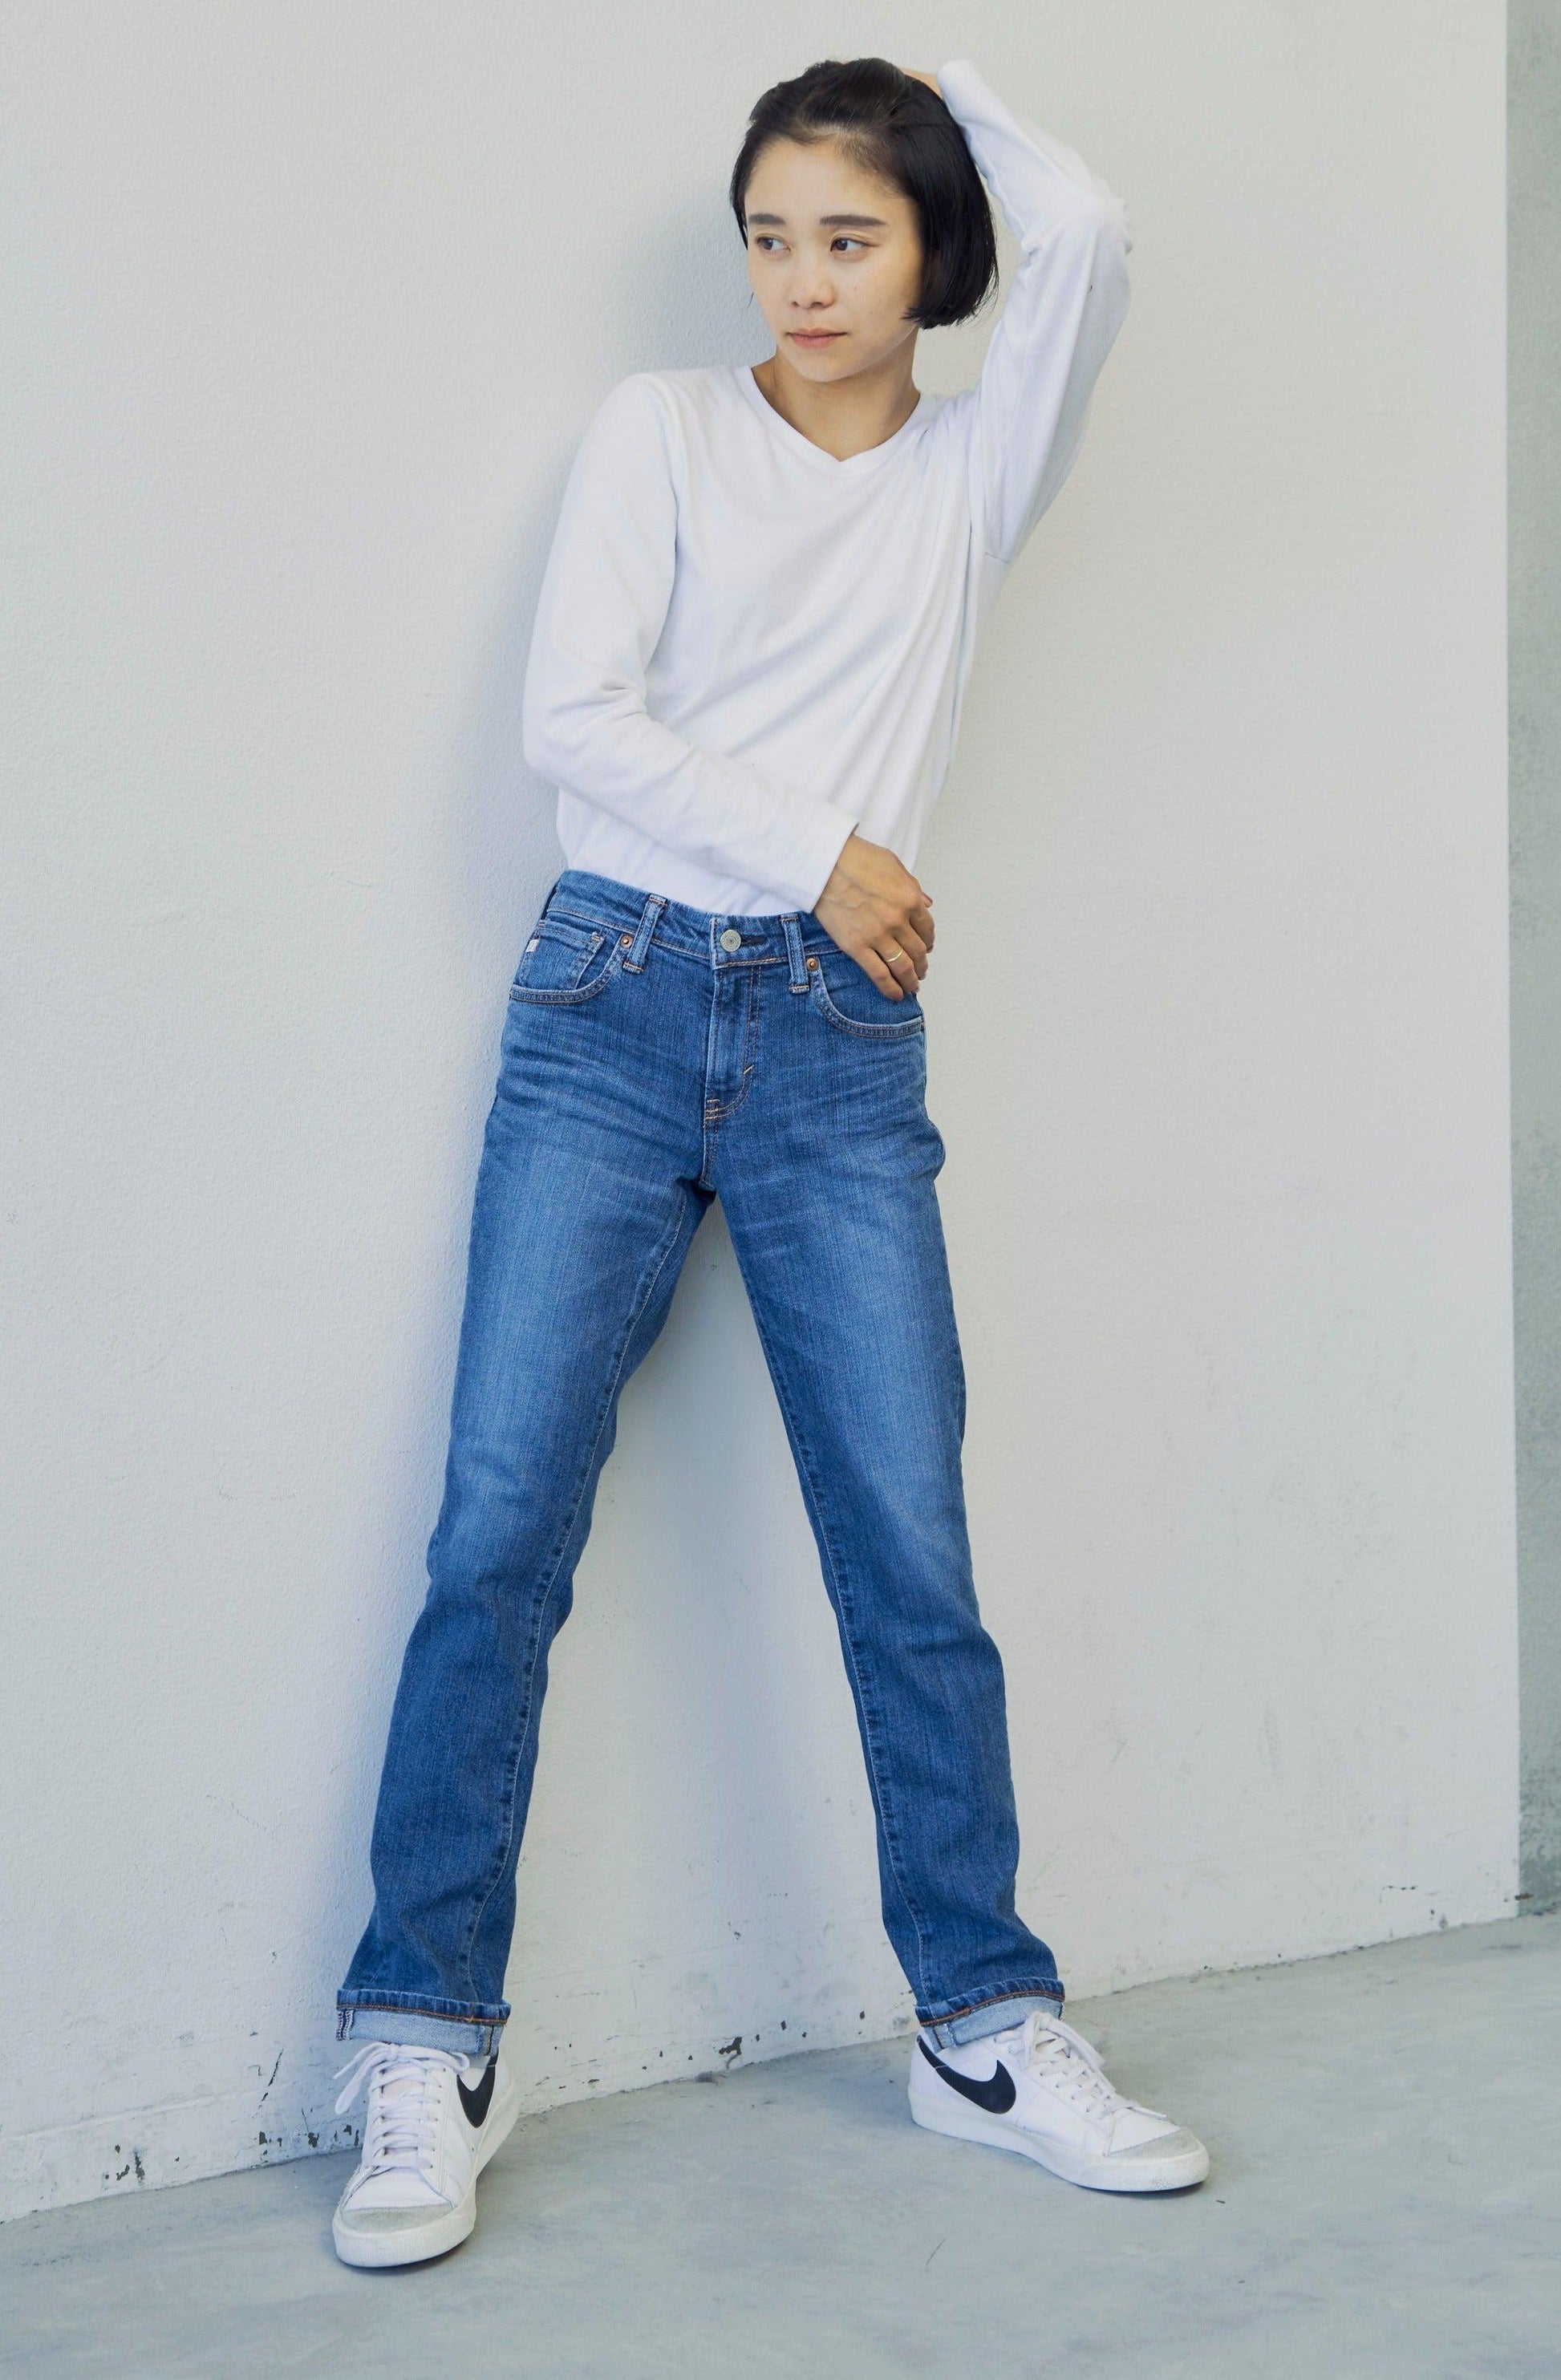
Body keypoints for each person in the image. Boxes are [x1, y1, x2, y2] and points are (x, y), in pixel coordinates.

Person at [329, 53, 1208, 2271]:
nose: (801, 280)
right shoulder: (659, 432)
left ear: (932, 255)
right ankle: (422, 2045)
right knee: (496, 1532)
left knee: (909, 1548)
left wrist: (946, 93)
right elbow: (575, 721)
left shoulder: (975, 469)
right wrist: (825, 850)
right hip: (611, 1006)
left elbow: (1092, 232)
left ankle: (981, 2026)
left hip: (837, 1053)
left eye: (851, 235)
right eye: (770, 234)